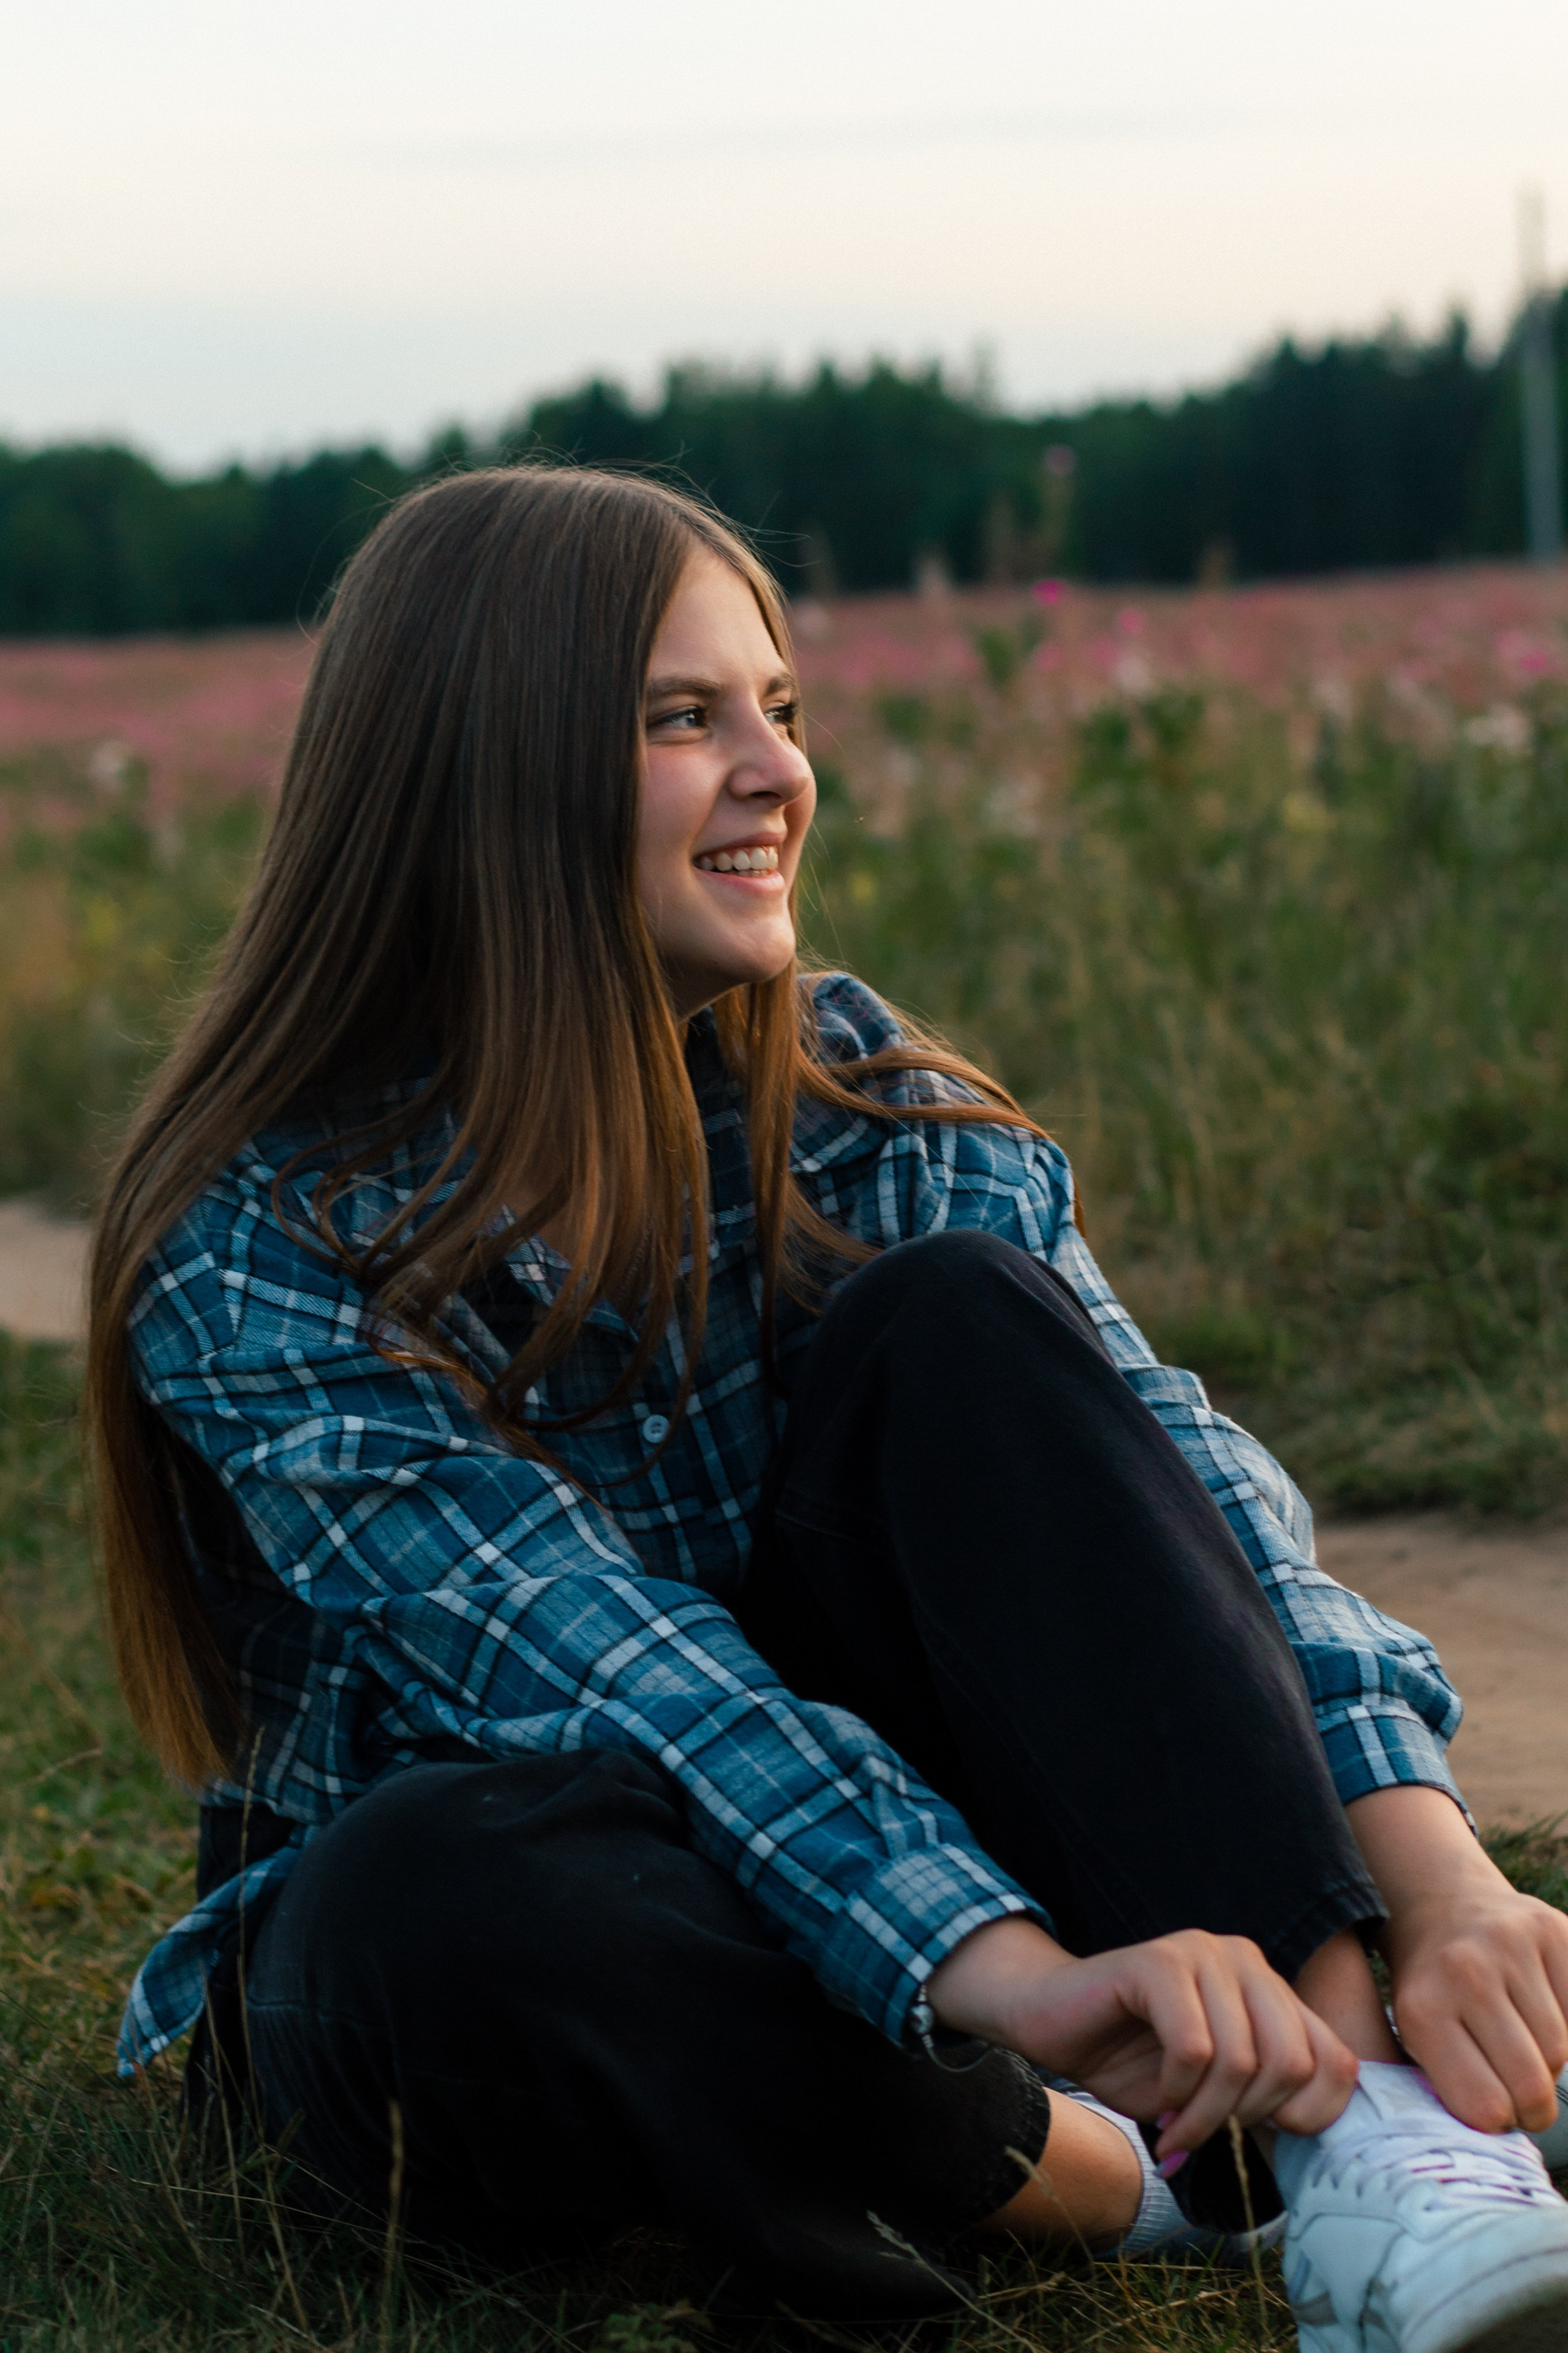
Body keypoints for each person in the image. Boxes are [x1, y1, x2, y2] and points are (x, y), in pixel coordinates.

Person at [88, 466, 1568, 2349]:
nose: (777, 769)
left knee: (960, 1320)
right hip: (524, 1918)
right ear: (483, 774)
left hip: (914, 1860)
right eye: (680, 719)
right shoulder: (263, 1228)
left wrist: (1439, 1883)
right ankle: (1128, 2173)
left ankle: (1387, 2118)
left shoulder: (865, 1096)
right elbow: (614, 1669)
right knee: (441, 1889)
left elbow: (1187, 1502)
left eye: (779, 708)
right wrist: (1012, 1979)